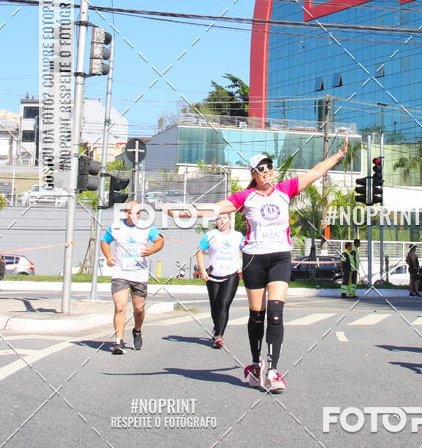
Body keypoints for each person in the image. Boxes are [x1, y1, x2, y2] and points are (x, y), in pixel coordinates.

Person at [170, 134, 349, 393]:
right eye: (261, 169)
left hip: (280, 258)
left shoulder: (286, 190)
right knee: (257, 316)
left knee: (275, 313)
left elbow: (316, 172)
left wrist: (339, 155)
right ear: (254, 173)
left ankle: (274, 370)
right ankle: (255, 364)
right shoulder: (245, 197)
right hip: (254, 260)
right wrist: (186, 212)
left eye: (270, 167)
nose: (267, 172)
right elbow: (215, 208)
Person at [101, 200, 164, 354]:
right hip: (120, 273)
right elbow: (105, 241)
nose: (133, 216)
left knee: (138, 309)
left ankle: (137, 330)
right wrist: (108, 256)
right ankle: (119, 341)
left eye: (136, 213)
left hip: (139, 274)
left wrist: (152, 250)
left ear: (140, 214)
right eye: (130, 213)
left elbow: (160, 241)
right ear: (125, 213)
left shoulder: (147, 227)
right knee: (120, 306)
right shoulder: (116, 227)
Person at [196, 213, 243, 348]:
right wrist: (203, 271)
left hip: (231, 274)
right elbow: (199, 252)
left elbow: (247, 250)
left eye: (224, 218)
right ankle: (217, 327)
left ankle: (219, 336)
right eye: (219, 219)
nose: (221, 220)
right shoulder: (210, 235)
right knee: (215, 305)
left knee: (223, 304)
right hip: (213, 275)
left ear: (229, 220)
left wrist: (242, 266)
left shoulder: (238, 236)